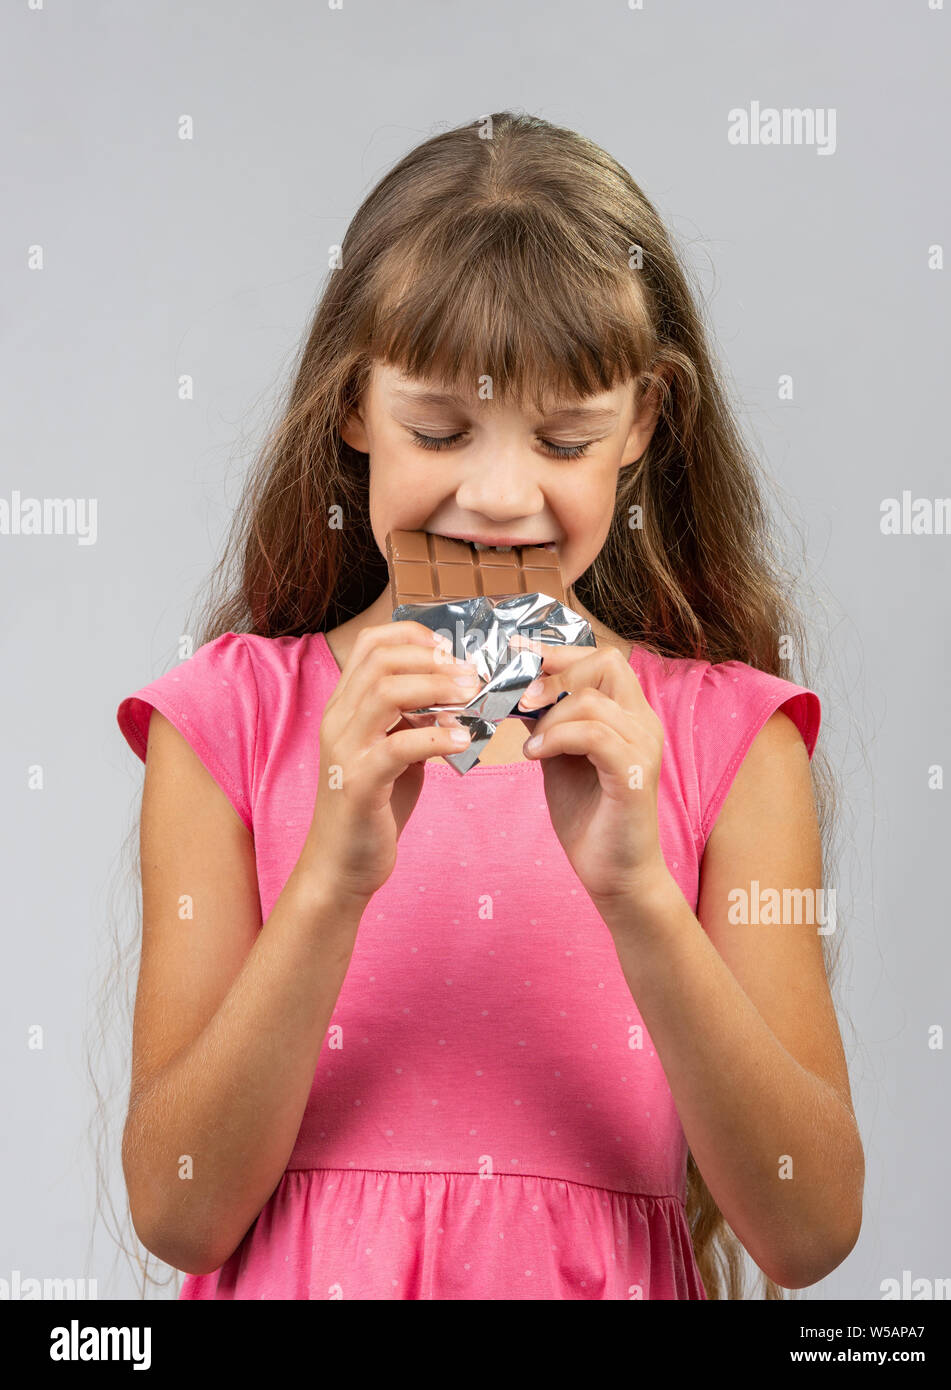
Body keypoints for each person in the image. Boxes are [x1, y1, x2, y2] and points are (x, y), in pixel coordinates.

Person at [114, 111, 863, 1300]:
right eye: (439, 429)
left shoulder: (730, 738)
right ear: (351, 404)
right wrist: (331, 880)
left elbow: (812, 1231)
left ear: (644, 428)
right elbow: (176, 1210)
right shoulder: (227, 720)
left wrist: (639, 896)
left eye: (565, 438)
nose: (500, 494)